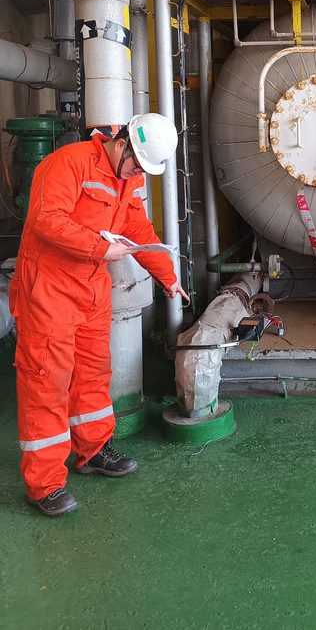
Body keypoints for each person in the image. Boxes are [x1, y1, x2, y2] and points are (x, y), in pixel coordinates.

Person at [9, 113, 189, 518]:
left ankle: (92, 451)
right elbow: (45, 219)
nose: (137, 175)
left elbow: (138, 229)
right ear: (121, 143)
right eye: (136, 165)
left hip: (91, 291)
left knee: (92, 374)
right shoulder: (67, 163)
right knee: (47, 383)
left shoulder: (129, 178)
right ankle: (45, 484)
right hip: (48, 289)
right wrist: (101, 249)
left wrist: (167, 276)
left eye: (143, 171)